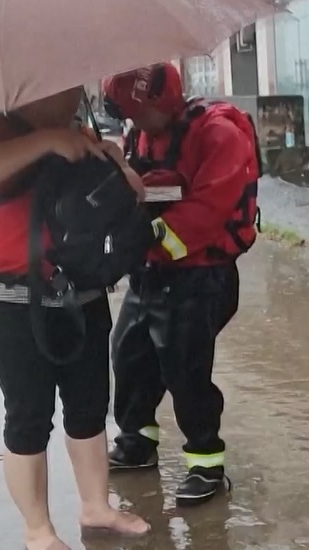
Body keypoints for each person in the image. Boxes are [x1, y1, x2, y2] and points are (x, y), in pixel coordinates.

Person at [0, 88, 151, 550]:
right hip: (12, 301)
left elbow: (133, 193)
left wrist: (115, 164)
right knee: (29, 414)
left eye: (74, 88)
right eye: (61, 89)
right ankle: (37, 531)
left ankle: (96, 507)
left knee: (88, 407)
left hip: (79, 295)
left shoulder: (80, 133)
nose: (72, 95)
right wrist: (44, 141)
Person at [101, 63, 262, 507]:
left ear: (162, 99)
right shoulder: (141, 135)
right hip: (151, 273)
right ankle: (137, 442)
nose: (133, 123)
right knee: (129, 357)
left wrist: (150, 236)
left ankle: (206, 463)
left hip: (200, 277)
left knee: (186, 371)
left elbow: (209, 208)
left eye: (138, 112)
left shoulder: (219, 135)